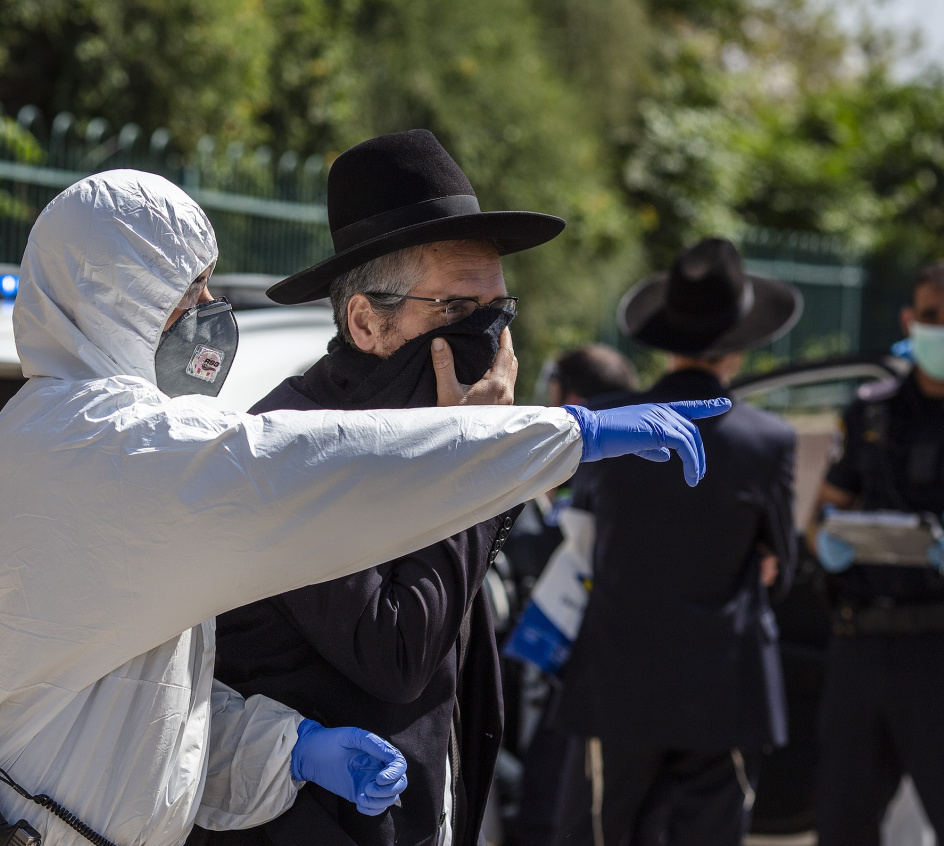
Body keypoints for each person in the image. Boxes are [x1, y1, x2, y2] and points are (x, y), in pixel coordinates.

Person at [0, 168, 728, 846]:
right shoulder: (106, 444)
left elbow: (146, 711)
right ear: (118, 299)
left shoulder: (82, 439)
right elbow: (314, 465)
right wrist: (555, 437)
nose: (211, 311)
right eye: (189, 292)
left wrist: (289, 749)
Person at [189, 128, 565, 846]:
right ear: (366, 322)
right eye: (457, 311)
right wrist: (476, 462)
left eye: (499, 310)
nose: (488, 335)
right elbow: (396, 651)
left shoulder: (423, 431)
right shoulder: (295, 449)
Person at [551, 238, 802, 846]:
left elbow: (576, 528)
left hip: (617, 681)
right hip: (724, 688)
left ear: (665, 339)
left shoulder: (608, 422)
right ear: (739, 347)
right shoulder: (768, 440)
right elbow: (782, 568)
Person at [809, 261, 944, 846]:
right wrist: (827, 541)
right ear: (910, 322)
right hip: (860, 647)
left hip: (938, 649)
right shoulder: (871, 411)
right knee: (843, 824)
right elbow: (819, 517)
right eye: (933, 316)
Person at [510, 345, 639, 846]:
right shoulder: (648, 444)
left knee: (553, 802)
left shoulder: (592, 453)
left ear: (576, 400)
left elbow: (551, 549)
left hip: (584, 665)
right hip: (646, 669)